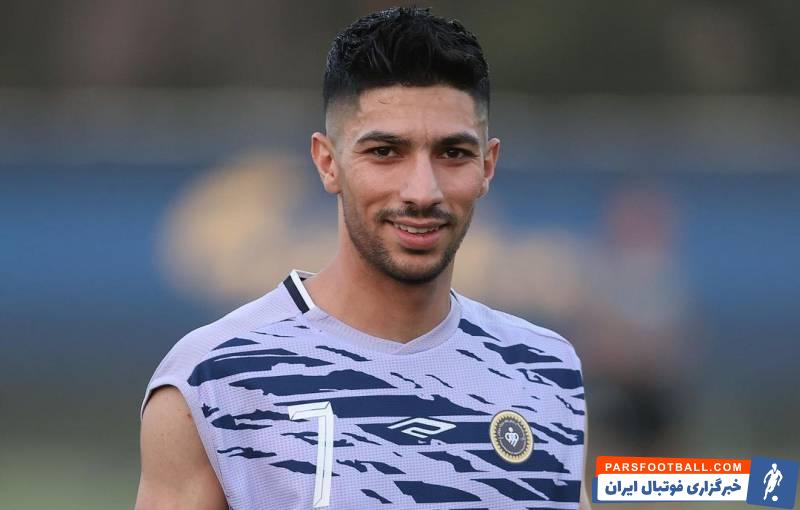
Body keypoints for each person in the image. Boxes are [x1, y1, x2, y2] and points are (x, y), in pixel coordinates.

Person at [136, 7, 590, 509]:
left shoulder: (545, 371)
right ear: (328, 163)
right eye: (385, 152)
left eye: (453, 153)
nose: (423, 191)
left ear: (487, 166)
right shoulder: (213, 379)